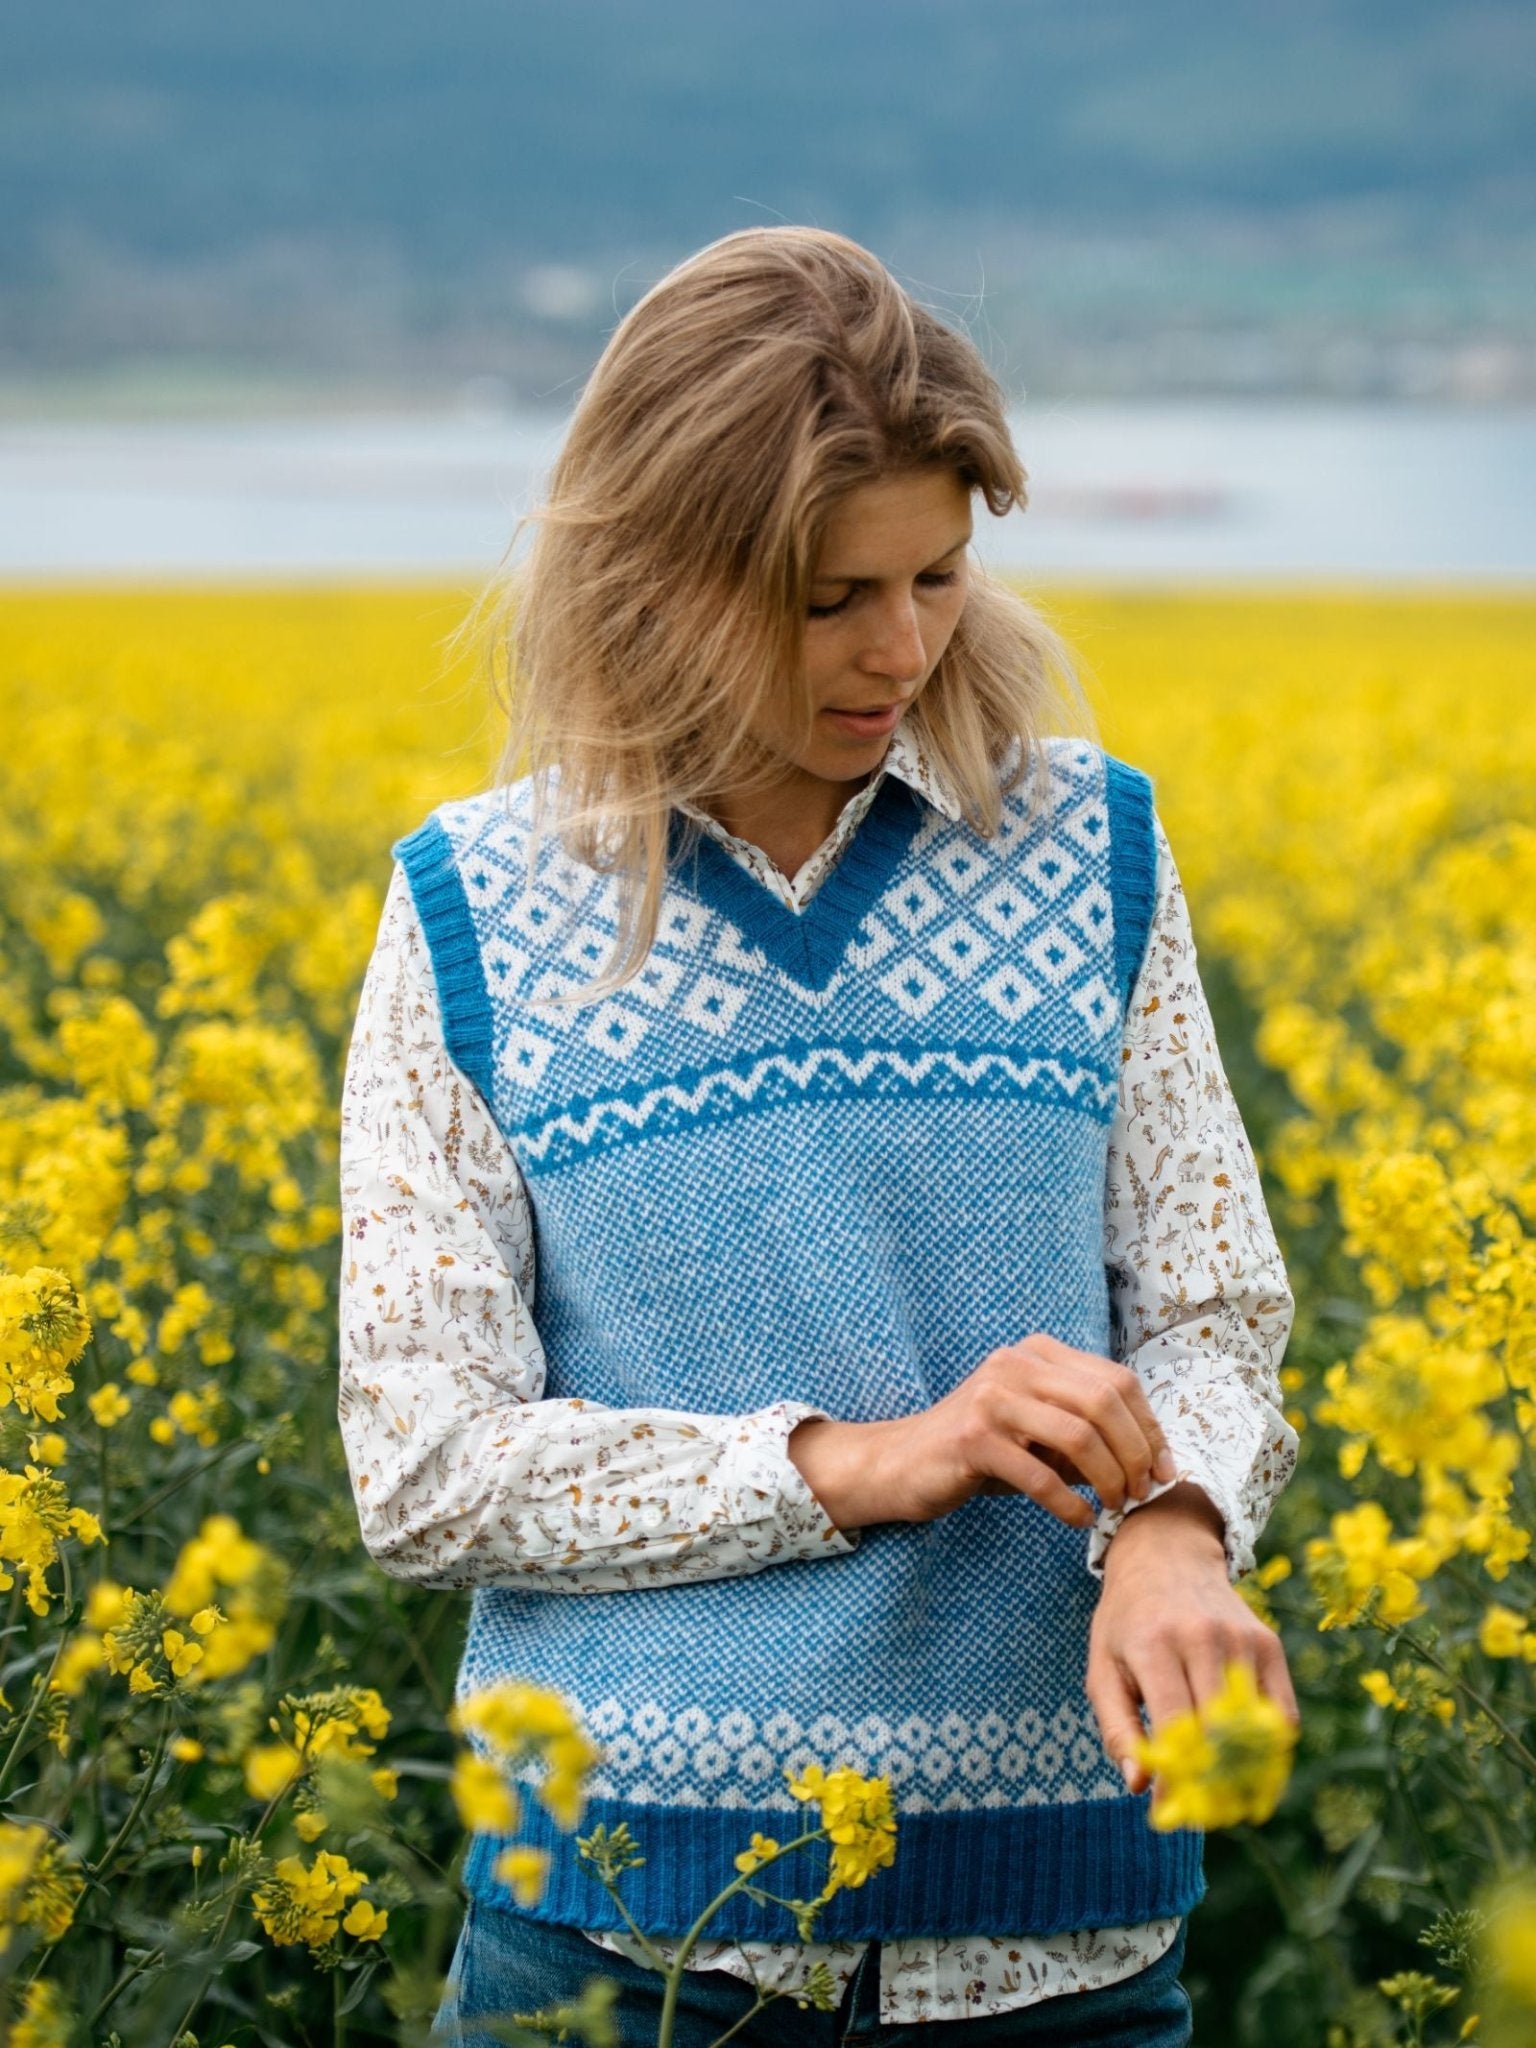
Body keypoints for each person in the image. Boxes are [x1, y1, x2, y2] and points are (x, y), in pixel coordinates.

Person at [337, 226, 1300, 2047]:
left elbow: (1213, 1315)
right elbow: (424, 1464)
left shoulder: (1086, 849)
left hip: (1059, 1951)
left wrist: (1175, 1522)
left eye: (938, 574)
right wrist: (857, 1462)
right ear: (660, 579)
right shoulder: (471, 908)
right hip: (621, 1945)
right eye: (827, 596)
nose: (903, 647)